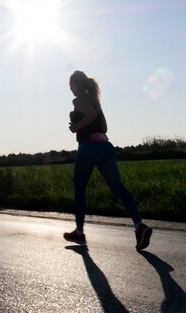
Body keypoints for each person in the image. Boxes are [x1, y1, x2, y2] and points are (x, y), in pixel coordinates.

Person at [63, 70, 152, 251]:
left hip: (89, 147)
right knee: (117, 186)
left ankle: (79, 232)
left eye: (71, 84)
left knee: (80, 187)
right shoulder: (96, 101)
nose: (70, 88)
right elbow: (103, 125)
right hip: (105, 147)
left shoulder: (79, 100)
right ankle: (139, 226)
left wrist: (76, 127)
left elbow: (91, 116)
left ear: (77, 84)